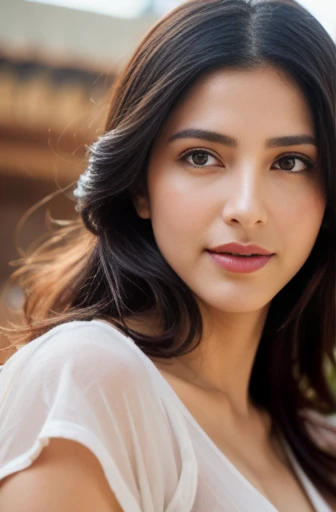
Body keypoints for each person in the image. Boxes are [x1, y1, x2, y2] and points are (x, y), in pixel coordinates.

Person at [0, 0, 335, 510]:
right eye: (201, 157)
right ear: (140, 185)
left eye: (289, 162)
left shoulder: (317, 441)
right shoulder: (89, 384)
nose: (247, 209)